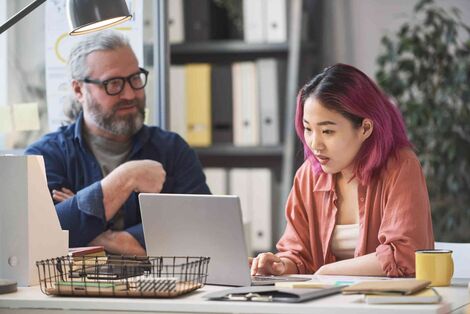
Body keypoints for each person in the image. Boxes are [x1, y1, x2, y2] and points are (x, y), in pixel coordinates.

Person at [25, 30, 210, 255]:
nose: (130, 94)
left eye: (135, 78)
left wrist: (86, 226)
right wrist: (126, 177)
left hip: (164, 287)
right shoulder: (44, 156)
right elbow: (39, 240)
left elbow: (200, 234)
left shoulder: (172, 150)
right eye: (113, 84)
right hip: (72, 290)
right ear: (78, 90)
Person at [250, 63, 434, 277]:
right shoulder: (308, 175)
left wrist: (328, 272)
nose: (314, 144)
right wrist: (281, 265)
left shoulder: (401, 166)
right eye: (308, 129)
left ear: (365, 128)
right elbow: (298, 254)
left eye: (327, 131)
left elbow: (405, 255)